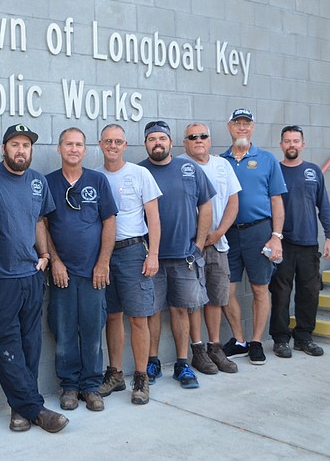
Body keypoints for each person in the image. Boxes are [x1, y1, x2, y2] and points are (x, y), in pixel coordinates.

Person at [0, 124, 69, 433]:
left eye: (26, 145)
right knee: (5, 345)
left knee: (30, 345)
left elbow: (40, 221)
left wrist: (45, 256)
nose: (20, 150)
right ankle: (36, 409)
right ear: (4, 148)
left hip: (31, 275)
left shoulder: (37, 182)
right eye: (14, 144)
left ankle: (20, 409)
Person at [44, 127, 117, 412]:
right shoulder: (48, 182)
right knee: (63, 330)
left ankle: (90, 386)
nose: (73, 149)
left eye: (78, 145)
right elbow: (43, 225)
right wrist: (55, 261)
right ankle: (69, 386)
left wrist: (103, 262)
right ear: (59, 148)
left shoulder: (97, 181)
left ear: (85, 150)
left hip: (93, 272)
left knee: (91, 328)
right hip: (62, 272)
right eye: (68, 144)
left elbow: (109, 222)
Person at [138, 120, 214, 390]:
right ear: (146, 143)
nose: (157, 143)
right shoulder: (138, 171)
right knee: (152, 311)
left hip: (184, 256)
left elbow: (206, 205)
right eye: (152, 139)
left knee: (181, 310)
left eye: (162, 138)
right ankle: (153, 360)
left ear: (171, 142)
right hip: (150, 257)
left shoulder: (189, 168)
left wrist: (199, 244)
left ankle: (182, 363)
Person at [95, 124, 162, 405]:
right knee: (112, 316)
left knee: (138, 318)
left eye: (118, 141)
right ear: (100, 144)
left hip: (135, 251)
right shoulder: (95, 177)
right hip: (104, 255)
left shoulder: (139, 174)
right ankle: (116, 373)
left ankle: (141, 377)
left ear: (125, 145)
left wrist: (153, 254)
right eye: (108, 141)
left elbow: (154, 219)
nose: (113, 146)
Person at [220, 109, 287, 365]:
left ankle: (257, 342)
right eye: (237, 123)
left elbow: (276, 200)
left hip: (260, 232)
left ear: (253, 127)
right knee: (225, 291)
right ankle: (239, 340)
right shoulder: (220, 161)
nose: (242, 128)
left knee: (260, 289)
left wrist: (276, 236)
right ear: (229, 127)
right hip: (228, 234)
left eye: (246, 123)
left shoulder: (267, 159)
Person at [270, 125, 330, 358]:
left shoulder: (313, 171)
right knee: (280, 294)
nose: (291, 145)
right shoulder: (275, 171)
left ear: (303, 144)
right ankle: (280, 339)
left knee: (309, 293)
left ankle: (304, 338)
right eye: (287, 141)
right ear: (281, 145)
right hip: (282, 244)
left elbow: (323, 205)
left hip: (309, 244)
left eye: (296, 141)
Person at [181, 123, 241, 376]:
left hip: (218, 243)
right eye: (192, 137)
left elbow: (233, 202)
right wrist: (198, 238)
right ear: (184, 142)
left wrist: (218, 233)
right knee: (194, 300)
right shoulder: (179, 165)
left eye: (203, 136)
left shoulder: (222, 165)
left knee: (216, 297)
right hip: (190, 245)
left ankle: (215, 347)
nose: (198, 140)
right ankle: (198, 351)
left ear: (210, 139)